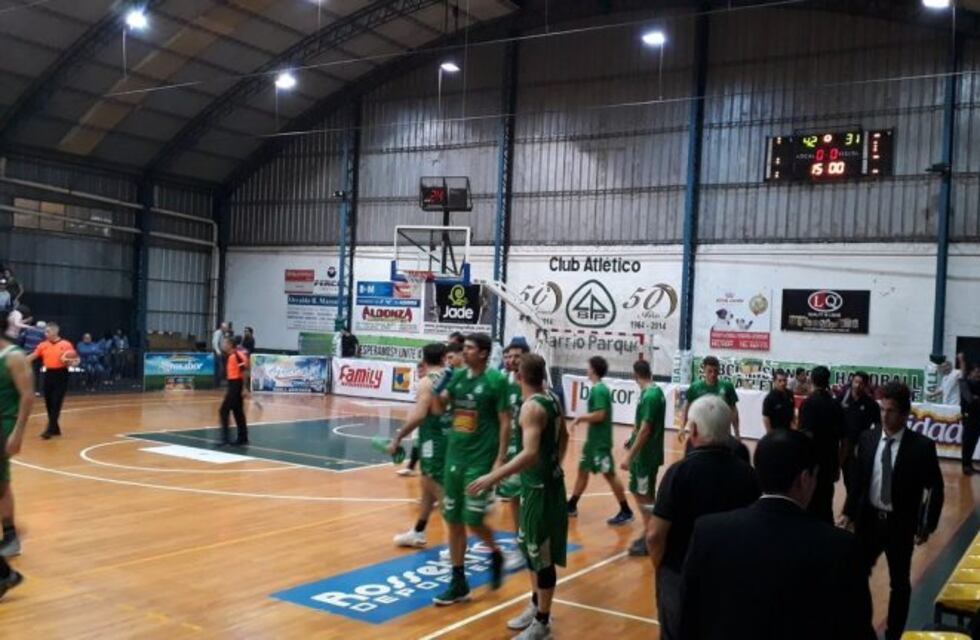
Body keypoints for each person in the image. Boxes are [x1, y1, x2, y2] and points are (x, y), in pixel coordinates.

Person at [679, 430, 874, 640]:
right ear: (805, 479)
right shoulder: (841, 548)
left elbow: (688, 618)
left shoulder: (708, 532)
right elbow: (856, 629)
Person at [467, 353, 569, 640]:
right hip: (538, 486)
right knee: (530, 549)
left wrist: (492, 476)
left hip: (541, 492)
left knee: (541, 556)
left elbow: (530, 453)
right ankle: (536, 604)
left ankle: (543, 623)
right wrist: (555, 466)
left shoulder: (531, 408)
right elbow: (565, 439)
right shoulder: (552, 399)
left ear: (520, 377)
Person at [645, 394, 760, 640]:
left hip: (680, 573)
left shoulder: (678, 474)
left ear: (693, 429)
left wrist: (661, 567)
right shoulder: (749, 475)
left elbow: (655, 535)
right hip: (731, 577)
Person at [840, 382, 945, 640]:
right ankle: (861, 630)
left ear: (905, 413)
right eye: (882, 409)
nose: (885, 415)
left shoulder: (921, 447)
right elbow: (859, 482)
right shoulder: (868, 438)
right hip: (869, 521)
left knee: (899, 584)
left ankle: (893, 634)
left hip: (900, 524)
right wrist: (848, 512)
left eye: (891, 411)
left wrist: (927, 524)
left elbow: (936, 487)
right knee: (855, 575)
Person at [433, 333, 510, 605]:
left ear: (485, 353)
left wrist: (500, 459)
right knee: (453, 520)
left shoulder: (496, 381)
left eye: (469, 348)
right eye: (463, 348)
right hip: (455, 457)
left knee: (473, 520)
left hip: (480, 460)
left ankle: (496, 552)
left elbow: (504, 421)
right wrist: (438, 387)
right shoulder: (457, 377)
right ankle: (458, 581)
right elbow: (439, 408)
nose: (463, 352)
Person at [389, 344, 448, 547]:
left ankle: (456, 544)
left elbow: (421, 414)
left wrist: (398, 436)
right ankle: (418, 531)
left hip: (433, 440)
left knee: (438, 490)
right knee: (426, 489)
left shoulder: (427, 382)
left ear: (424, 359)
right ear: (443, 358)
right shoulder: (451, 378)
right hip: (448, 437)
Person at [567, 356, 633, 526]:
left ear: (594, 369)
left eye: (588, 366)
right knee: (583, 471)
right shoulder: (598, 389)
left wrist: (580, 418)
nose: (586, 369)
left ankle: (626, 510)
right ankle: (572, 505)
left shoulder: (599, 391)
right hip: (592, 443)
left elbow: (600, 414)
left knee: (609, 475)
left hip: (600, 444)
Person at [0, 308, 35, 562]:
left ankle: (11, 537)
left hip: (4, 426)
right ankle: (11, 535)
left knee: (1, 484)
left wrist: (18, 434)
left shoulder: (14, 357)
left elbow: (27, 396)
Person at [622, 358, 665, 556]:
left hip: (645, 456)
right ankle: (651, 529)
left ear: (635, 375)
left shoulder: (650, 396)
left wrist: (629, 456)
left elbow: (646, 430)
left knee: (644, 494)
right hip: (646, 455)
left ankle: (652, 536)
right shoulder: (653, 392)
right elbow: (640, 426)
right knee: (641, 493)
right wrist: (631, 440)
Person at [495, 339, 531, 571]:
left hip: (528, 450)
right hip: (511, 451)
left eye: (516, 356)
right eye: (508, 356)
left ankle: (526, 546)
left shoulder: (532, 384)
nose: (511, 360)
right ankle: (522, 544)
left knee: (524, 500)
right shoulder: (504, 382)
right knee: (515, 500)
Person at [797, 365, 846, 524]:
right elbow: (844, 440)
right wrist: (838, 465)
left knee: (809, 506)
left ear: (812, 380)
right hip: (830, 462)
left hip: (812, 465)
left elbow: (805, 437)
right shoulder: (836, 405)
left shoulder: (808, 404)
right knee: (826, 503)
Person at [27, 323, 76, 439]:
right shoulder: (43, 345)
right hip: (48, 374)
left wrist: (70, 361)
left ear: (55, 332)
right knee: (48, 402)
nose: (45, 334)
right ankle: (55, 428)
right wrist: (20, 361)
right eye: (45, 331)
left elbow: (74, 360)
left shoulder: (66, 344)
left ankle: (49, 429)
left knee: (56, 402)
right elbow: (33, 355)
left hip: (61, 375)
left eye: (47, 331)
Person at [681, 355, 740, 443]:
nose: (713, 374)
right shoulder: (695, 388)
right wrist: (682, 427)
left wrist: (737, 433)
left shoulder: (727, 387)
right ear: (704, 370)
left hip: (722, 433)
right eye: (710, 371)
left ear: (719, 371)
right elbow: (686, 408)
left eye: (715, 371)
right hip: (700, 435)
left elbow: (734, 411)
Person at [841, 371, 882, 494]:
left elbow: (879, 425)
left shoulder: (871, 404)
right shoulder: (841, 400)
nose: (857, 385)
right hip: (844, 448)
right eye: (856, 382)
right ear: (852, 382)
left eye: (861, 383)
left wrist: (871, 441)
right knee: (847, 479)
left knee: (859, 480)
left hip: (861, 448)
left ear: (866, 386)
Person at [218, 337, 249, 446]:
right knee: (238, 412)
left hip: (236, 385)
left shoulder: (236, 355)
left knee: (223, 410)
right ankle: (243, 438)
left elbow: (244, 371)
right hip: (234, 384)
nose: (223, 345)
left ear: (230, 344)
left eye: (225, 343)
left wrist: (244, 388)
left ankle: (225, 439)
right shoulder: (233, 356)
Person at [958, 356, 980, 475]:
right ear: (970, 373)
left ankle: (969, 464)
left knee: (974, 441)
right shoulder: (964, 383)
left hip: (977, 417)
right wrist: (975, 398)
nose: (978, 374)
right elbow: (970, 399)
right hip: (969, 416)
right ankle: (965, 465)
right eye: (977, 372)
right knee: (968, 441)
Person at [212, 322, 228, 386]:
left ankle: (218, 383)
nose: (226, 329)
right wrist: (218, 352)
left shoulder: (224, 334)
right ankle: (216, 383)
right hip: (217, 352)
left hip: (222, 352)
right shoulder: (218, 333)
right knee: (219, 368)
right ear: (222, 327)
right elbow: (215, 343)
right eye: (225, 328)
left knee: (221, 368)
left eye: (226, 328)